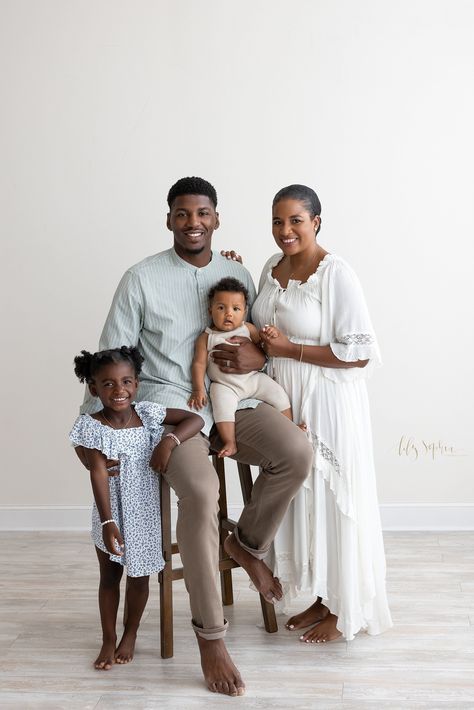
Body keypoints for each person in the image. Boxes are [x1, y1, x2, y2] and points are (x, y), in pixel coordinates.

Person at [79, 177, 313, 696]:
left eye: (202, 214)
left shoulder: (236, 271)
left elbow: (252, 335)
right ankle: (211, 637)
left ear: (216, 218)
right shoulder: (139, 278)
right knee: (202, 494)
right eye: (182, 215)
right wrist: (97, 430)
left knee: (296, 452)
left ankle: (246, 544)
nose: (193, 224)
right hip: (171, 411)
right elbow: (110, 355)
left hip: (234, 398)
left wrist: (260, 357)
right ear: (169, 220)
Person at [252, 184, 392, 644]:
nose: (285, 230)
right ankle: (320, 594)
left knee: (334, 499)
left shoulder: (336, 274)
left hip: (328, 400)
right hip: (284, 400)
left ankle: (344, 607)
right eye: (277, 221)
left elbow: (359, 354)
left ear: (316, 221)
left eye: (295, 220)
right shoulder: (269, 270)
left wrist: (290, 348)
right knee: (302, 499)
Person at [70, 346, 203, 670]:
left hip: (144, 513)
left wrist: (167, 442)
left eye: (126, 382)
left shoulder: (148, 414)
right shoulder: (92, 425)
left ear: (137, 383)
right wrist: (107, 522)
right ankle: (108, 639)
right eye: (108, 384)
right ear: (93, 388)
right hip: (110, 513)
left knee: (140, 577)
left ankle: (130, 634)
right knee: (109, 577)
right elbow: (97, 470)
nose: (119, 391)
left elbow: (195, 419)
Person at [188, 276, 293, 457]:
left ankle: (291, 430)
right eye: (221, 308)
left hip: (253, 379)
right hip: (225, 385)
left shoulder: (248, 328)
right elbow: (198, 364)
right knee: (222, 407)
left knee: (279, 394)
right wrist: (198, 389)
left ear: (244, 312)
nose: (228, 313)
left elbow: (264, 345)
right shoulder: (206, 337)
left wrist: (271, 334)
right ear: (210, 310)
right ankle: (230, 441)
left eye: (235, 309)